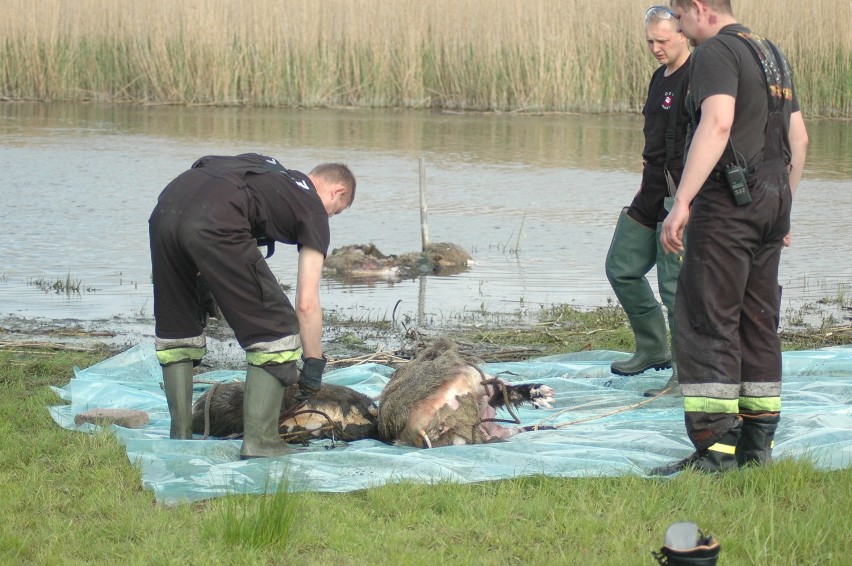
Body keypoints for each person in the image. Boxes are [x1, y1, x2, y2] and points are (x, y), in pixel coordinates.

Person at [653, 0, 808, 475]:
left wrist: (681, 202)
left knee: (707, 320)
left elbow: (717, 123)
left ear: (699, 8)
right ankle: (756, 448)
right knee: (757, 320)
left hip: (728, 204)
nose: (678, 27)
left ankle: (716, 452)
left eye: (679, 17)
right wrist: (782, 207)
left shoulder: (717, 52)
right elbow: (798, 140)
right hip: (773, 200)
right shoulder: (771, 53)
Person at [148, 153, 356, 459]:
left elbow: (204, 169)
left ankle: (180, 435)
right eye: (335, 212)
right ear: (337, 191)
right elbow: (307, 302)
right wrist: (313, 363)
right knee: (276, 329)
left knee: (178, 328)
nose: (329, 218)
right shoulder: (312, 209)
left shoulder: (268, 172)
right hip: (216, 219)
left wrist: (201, 281)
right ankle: (261, 442)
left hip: (166, 210)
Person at [605, 5, 690, 398]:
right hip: (650, 189)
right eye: (649, 41)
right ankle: (654, 347)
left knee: (676, 289)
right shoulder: (660, 77)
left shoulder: (700, 76)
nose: (655, 47)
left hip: (683, 194)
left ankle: (686, 373)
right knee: (620, 267)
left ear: (683, 34)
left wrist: (688, 199)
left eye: (662, 40)